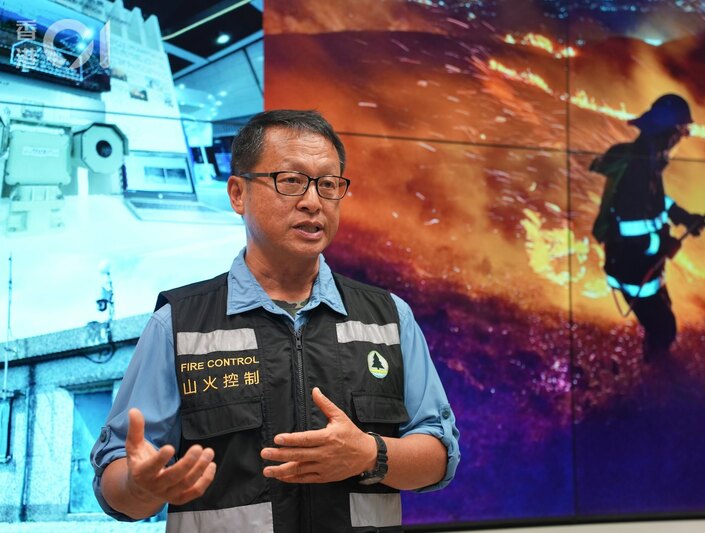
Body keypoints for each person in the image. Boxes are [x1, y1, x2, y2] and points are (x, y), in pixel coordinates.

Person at [91, 109, 460, 532]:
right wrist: (139, 486)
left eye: (328, 184)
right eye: (291, 180)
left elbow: (440, 455)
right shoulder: (178, 323)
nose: (312, 201)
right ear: (238, 194)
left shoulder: (390, 318)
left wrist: (369, 453)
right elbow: (116, 476)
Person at [590, 94, 705, 362]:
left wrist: (684, 217)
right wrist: (662, 245)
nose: (682, 138)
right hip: (632, 267)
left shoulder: (648, 160)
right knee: (663, 329)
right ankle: (651, 379)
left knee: (661, 319)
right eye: (682, 131)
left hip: (642, 265)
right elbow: (630, 228)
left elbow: (655, 201)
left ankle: (652, 366)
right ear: (669, 132)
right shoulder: (639, 167)